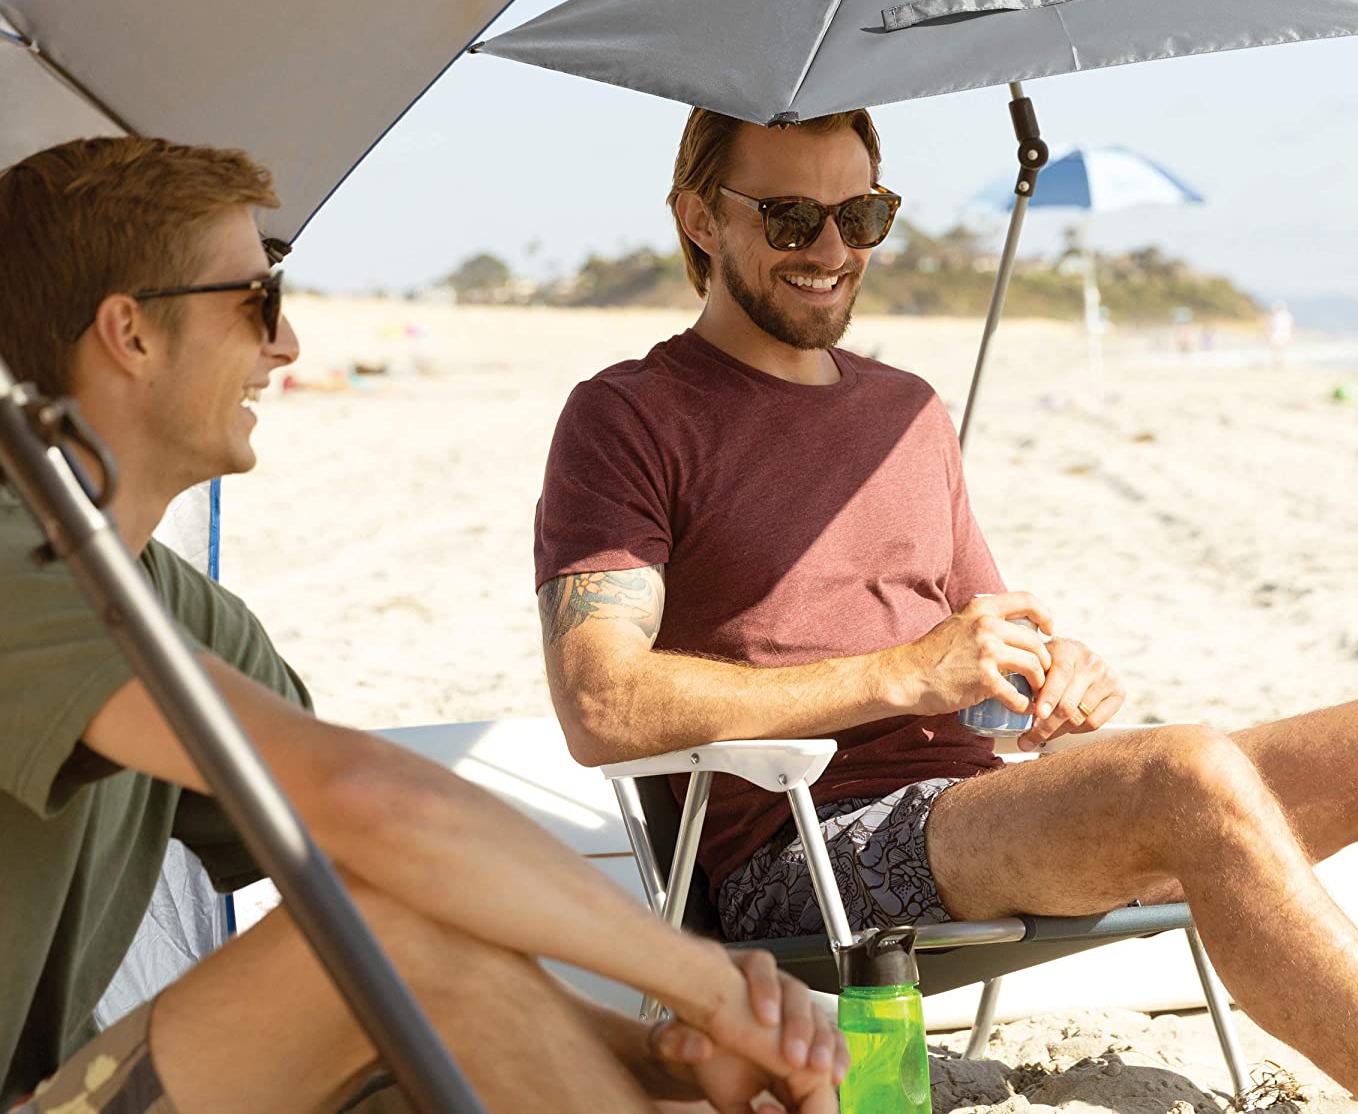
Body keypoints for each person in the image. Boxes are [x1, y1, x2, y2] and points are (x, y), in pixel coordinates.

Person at [535, 105, 1358, 1114]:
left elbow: (986, 646)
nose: (831, 250)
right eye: (789, 219)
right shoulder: (629, 416)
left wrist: (1051, 672)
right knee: (1186, 770)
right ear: (699, 219)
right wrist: (902, 674)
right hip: (802, 849)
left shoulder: (906, 411)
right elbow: (600, 704)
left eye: (861, 216)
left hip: (973, 807)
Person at [0, 136, 847, 1114]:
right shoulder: (15, 565)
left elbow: (396, 877)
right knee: (394, 929)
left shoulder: (170, 605)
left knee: (425, 943)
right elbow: (370, 805)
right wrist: (708, 985)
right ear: (130, 333)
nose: (286, 345)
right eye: (257, 302)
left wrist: (657, 1055)